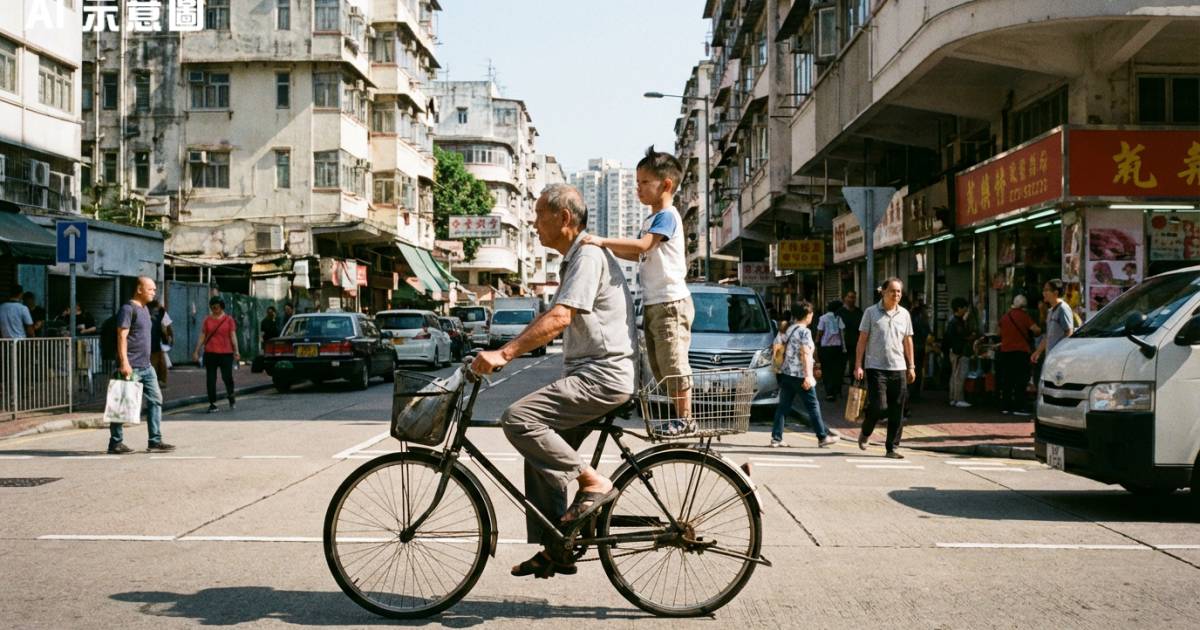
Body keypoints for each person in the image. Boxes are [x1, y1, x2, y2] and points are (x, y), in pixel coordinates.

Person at [471, 184, 636, 579]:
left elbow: (560, 318)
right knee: (540, 455)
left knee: (519, 419)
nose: (533, 223)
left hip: (603, 375)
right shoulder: (574, 259)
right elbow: (553, 320)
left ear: (564, 219)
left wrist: (505, 353)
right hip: (592, 374)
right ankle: (555, 547)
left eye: (539, 215)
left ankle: (592, 482)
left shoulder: (588, 255)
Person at [583, 146, 693, 434]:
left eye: (645, 182)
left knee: (673, 362)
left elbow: (643, 247)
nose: (638, 189)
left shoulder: (667, 216)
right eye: (637, 183)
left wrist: (602, 241)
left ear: (666, 185)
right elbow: (637, 255)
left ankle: (686, 419)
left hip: (671, 301)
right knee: (659, 366)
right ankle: (678, 418)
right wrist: (604, 251)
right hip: (656, 302)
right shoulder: (651, 220)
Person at [107, 276, 174, 454]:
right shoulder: (128, 309)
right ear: (139, 289)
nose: (154, 292)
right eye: (150, 289)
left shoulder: (145, 309)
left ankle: (155, 440)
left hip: (146, 366)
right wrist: (124, 363)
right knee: (121, 403)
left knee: (156, 399)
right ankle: (115, 443)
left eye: (154, 289)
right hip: (131, 365)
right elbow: (121, 336)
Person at [854, 278, 916, 459]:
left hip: (898, 367)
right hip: (875, 367)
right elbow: (862, 340)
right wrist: (858, 365)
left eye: (899, 292)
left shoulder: (904, 314)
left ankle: (892, 447)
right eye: (892, 291)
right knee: (879, 406)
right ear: (883, 292)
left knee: (898, 408)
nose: (896, 295)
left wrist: (911, 366)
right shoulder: (871, 313)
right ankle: (866, 431)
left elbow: (908, 340)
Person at [773, 301, 839, 448]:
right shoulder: (805, 332)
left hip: (786, 374)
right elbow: (805, 353)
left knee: (783, 406)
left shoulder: (786, 329)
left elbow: (776, 349)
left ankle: (776, 438)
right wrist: (809, 376)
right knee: (813, 405)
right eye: (811, 314)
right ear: (807, 315)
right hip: (801, 375)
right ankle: (822, 436)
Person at [193, 296, 240, 413]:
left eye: (217, 307)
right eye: (213, 307)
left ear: (222, 307)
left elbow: (233, 336)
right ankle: (212, 403)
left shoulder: (229, 320)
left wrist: (236, 351)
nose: (215, 310)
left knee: (227, 377)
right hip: (210, 353)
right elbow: (202, 336)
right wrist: (196, 350)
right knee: (211, 379)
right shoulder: (207, 320)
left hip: (226, 354)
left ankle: (231, 396)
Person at [997, 294, 1041, 416]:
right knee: (1020, 380)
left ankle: (1005, 406)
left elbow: (998, 332)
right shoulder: (1024, 316)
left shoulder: (1005, 316)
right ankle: (1019, 406)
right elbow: (1036, 330)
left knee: (1007, 380)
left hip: (1005, 352)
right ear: (1023, 306)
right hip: (1021, 352)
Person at [1031, 279, 1075, 365]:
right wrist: (1038, 352)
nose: (1043, 293)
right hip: (1051, 358)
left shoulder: (1063, 309)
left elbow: (1069, 333)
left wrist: (1061, 353)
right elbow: (1048, 336)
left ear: (1055, 293)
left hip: (1060, 360)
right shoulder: (1051, 311)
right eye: (1043, 290)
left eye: (1046, 290)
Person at [815, 300, 846, 401]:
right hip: (837, 348)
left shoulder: (823, 318)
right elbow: (842, 333)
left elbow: (819, 332)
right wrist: (843, 347)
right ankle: (837, 390)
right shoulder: (839, 318)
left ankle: (829, 393)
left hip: (826, 348)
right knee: (836, 370)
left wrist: (816, 343)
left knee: (827, 370)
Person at [944, 297, 972, 408]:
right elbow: (960, 337)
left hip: (954, 351)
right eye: (965, 308)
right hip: (958, 352)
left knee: (954, 376)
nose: (966, 310)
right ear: (959, 308)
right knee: (959, 376)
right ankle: (958, 399)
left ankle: (953, 398)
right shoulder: (957, 322)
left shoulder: (953, 321)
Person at [146, 300, 173, 388]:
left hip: (155, 345)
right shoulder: (154, 316)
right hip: (152, 346)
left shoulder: (156, 316)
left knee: (160, 364)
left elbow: (165, 327)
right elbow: (166, 326)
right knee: (156, 364)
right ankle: (156, 382)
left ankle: (159, 381)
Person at [837, 291, 863, 379]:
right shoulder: (839, 312)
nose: (852, 299)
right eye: (850, 297)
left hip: (855, 344)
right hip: (841, 344)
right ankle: (838, 390)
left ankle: (854, 390)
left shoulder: (859, 312)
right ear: (845, 298)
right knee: (840, 368)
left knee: (854, 367)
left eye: (854, 297)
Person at [909, 303, 932, 401]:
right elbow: (927, 334)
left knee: (913, 370)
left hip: (912, 348)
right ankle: (915, 394)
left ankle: (912, 393)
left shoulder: (911, 319)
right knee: (918, 371)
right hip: (919, 347)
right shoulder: (923, 321)